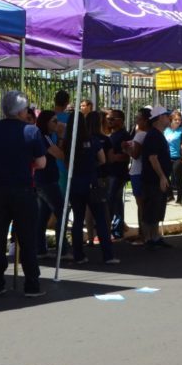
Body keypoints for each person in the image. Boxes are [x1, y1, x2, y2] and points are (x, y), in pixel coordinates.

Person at [0, 91, 46, 297]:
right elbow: (42, 162)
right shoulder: (31, 131)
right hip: (23, 190)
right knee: (27, 238)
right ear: (21, 111)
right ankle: (32, 284)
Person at [65, 111, 117, 264]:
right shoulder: (93, 140)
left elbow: (68, 165)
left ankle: (78, 255)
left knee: (77, 220)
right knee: (100, 218)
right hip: (92, 183)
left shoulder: (68, 143)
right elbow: (102, 160)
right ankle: (108, 255)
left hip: (75, 184)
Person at [34, 110, 67, 258]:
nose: (57, 123)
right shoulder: (44, 137)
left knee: (43, 216)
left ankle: (40, 248)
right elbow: (59, 154)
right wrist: (61, 136)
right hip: (47, 181)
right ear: (46, 122)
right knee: (62, 212)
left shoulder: (46, 137)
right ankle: (63, 249)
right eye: (54, 121)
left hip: (43, 180)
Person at [141, 106, 172, 249]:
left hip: (158, 179)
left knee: (157, 208)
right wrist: (161, 176)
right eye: (166, 115)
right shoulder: (153, 135)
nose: (169, 118)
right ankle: (148, 238)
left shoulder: (158, 134)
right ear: (159, 118)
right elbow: (153, 158)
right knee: (151, 208)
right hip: (153, 180)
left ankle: (155, 236)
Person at [125, 107, 151, 244]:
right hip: (143, 172)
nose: (136, 120)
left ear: (146, 121)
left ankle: (143, 235)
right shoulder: (150, 134)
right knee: (143, 205)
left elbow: (135, 154)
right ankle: (145, 234)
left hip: (137, 172)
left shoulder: (140, 135)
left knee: (141, 205)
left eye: (139, 118)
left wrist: (126, 148)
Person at [106, 109, 132, 240]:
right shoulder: (111, 134)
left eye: (111, 119)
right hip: (111, 172)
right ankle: (117, 229)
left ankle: (111, 229)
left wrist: (113, 157)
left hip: (117, 173)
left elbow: (127, 156)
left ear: (120, 121)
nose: (108, 121)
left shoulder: (124, 136)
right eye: (108, 119)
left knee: (111, 201)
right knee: (116, 201)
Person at [165, 110, 182, 204]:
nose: (178, 121)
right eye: (175, 119)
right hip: (167, 157)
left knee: (177, 177)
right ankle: (170, 195)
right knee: (165, 176)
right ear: (171, 120)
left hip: (178, 157)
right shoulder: (166, 130)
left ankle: (180, 198)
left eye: (179, 120)